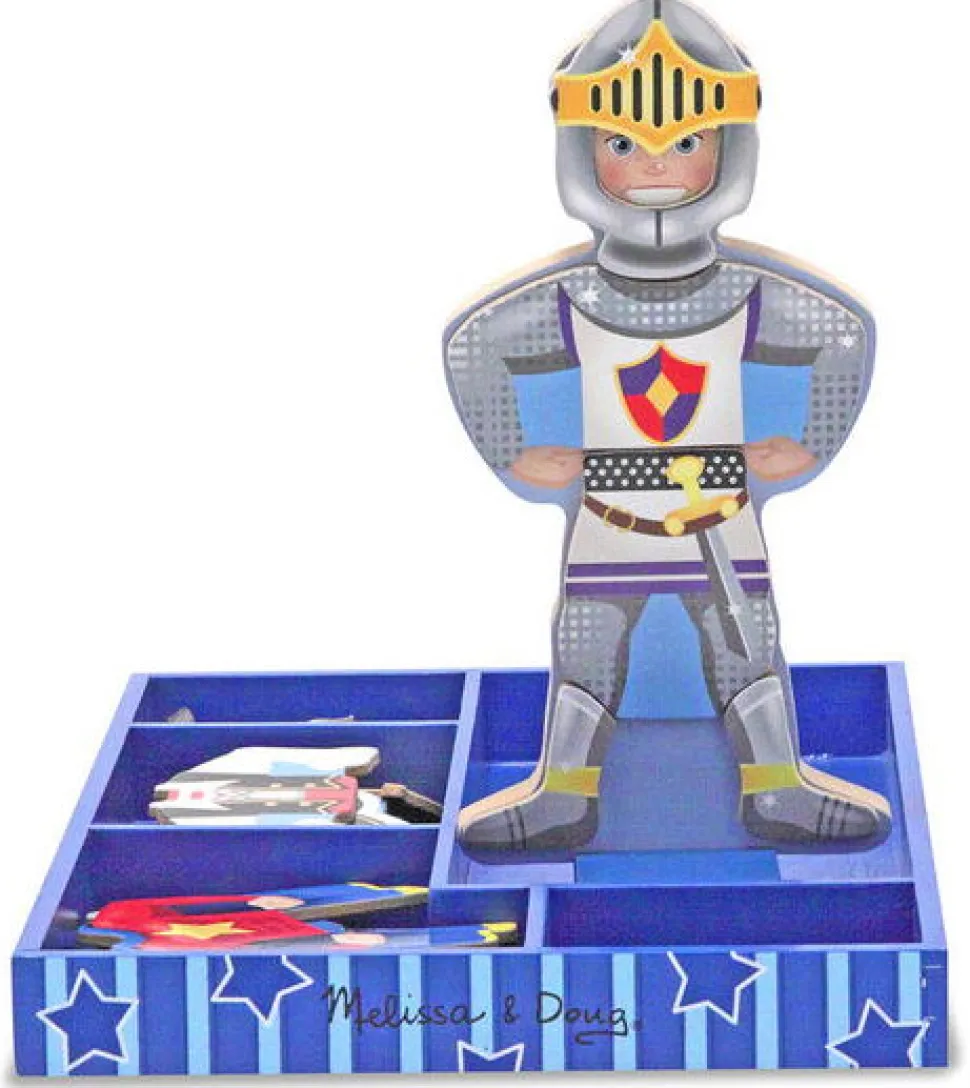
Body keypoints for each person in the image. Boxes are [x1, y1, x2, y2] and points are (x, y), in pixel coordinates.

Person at [444, 0, 890, 854]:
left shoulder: (746, 293)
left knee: (747, 647)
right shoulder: (571, 296)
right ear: (582, 151)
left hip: (721, 509)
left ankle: (777, 788)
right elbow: (474, 345)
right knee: (585, 649)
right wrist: (510, 447)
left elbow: (843, 335)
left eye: (685, 142)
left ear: (730, 147)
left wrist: (812, 441)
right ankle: (563, 798)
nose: (654, 162)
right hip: (608, 515)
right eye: (622, 143)